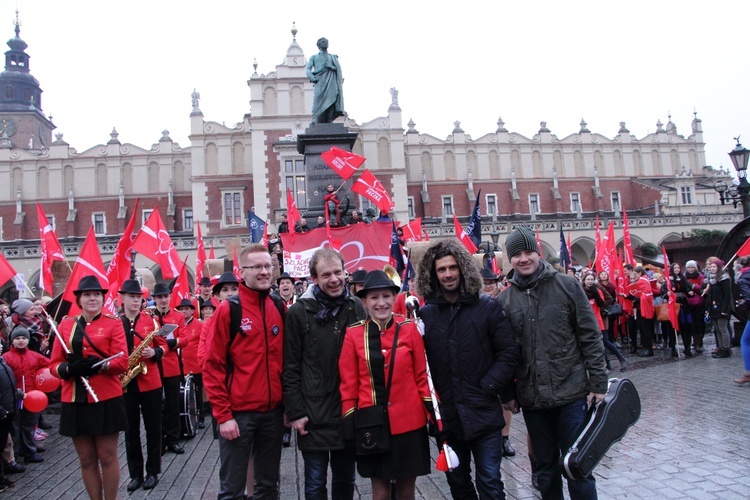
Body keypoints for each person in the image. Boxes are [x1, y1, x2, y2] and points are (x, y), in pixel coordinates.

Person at [498, 226, 607, 500]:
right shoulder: (504, 300)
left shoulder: (567, 285)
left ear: (538, 252)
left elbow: (590, 336)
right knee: (545, 469)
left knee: (578, 465)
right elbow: (504, 351)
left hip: (571, 392)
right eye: (517, 255)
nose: (523, 259)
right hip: (533, 399)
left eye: (528, 252)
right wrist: (508, 394)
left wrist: (599, 382)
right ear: (509, 260)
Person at [415, 240, 520, 499]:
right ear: (433, 274)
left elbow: (508, 352)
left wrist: (489, 386)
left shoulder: (487, 307)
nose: (448, 274)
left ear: (462, 269)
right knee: (459, 486)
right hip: (448, 420)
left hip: (483, 411)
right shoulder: (426, 316)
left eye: (452, 267)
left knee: (490, 483)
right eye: (441, 270)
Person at [339, 270, 431, 499]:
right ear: (364, 302)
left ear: (394, 298)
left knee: (406, 493)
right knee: (379, 494)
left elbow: (422, 376)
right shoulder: (353, 334)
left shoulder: (409, 329)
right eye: (374, 298)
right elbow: (348, 383)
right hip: (372, 424)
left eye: (386, 296)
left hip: (409, 424)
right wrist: (349, 421)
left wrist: (434, 416)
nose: (381, 303)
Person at [284, 248, 367, 500]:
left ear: (345, 272)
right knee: (315, 483)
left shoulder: (356, 306)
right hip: (313, 414)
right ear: (314, 278)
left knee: (345, 481)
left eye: (338, 272)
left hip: (348, 411)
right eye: (326, 274)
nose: (334, 279)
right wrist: (296, 413)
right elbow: (290, 366)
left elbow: (365, 361)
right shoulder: (298, 313)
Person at [203, 244, 285, 500]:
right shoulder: (229, 310)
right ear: (242, 272)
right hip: (238, 416)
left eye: (267, 266)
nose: (264, 272)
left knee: (268, 487)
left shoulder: (278, 305)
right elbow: (212, 365)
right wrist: (223, 416)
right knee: (232, 490)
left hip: (272, 414)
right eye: (257, 267)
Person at [50, 275, 129, 500]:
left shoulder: (113, 323)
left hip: (105, 398)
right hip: (75, 398)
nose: (92, 298)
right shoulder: (66, 325)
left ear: (103, 298)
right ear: (79, 299)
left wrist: (98, 366)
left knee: (107, 456)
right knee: (85, 458)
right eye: (87, 294)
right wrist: (69, 370)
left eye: (96, 294)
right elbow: (54, 365)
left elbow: (122, 362)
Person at [118, 279, 165, 491]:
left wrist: (155, 352)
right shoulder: (115, 322)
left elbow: (164, 344)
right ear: (123, 299)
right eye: (132, 297)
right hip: (126, 384)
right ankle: (135, 474)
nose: (136, 301)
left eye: (138, 298)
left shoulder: (151, 320)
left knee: (154, 428)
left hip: (150, 382)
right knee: (131, 432)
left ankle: (153, 471)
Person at [151, 283, 187, 455]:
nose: (163, 300)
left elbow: (185, 338)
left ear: (170, 297)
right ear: (154, 299)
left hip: (171, 365)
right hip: (154, 366)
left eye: (165, 296)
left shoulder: (178, 316)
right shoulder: (148, 316)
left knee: (173, 404)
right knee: (156, 406)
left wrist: (174, 342)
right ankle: (159, 441)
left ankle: (173, 439)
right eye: (159, 297)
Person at [3, 327, 48, 463]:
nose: (21, 341)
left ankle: (29, 452)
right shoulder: (6, 357)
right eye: (17, 338)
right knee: (15, 427)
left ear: (28, 340)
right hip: (15, 398)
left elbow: (50, 365)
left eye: (23, 338)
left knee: (29, 426)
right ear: (12, 341)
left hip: (31, 397)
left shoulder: (34, 356)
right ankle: (15, 455)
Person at [582, 271, 628, 370]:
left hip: (598, 320)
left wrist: (595, 292)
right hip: (586, 321)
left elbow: (602, 304)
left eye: (591, 279)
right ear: (584, 281)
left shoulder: (597, 290)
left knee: (605, 341)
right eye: (587, 279)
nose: (589, 281)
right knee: (596, 344)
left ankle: (621, 359)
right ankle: (607, 364)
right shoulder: (581, 291)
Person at [177, 298, 206, 427]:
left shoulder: (199, 325)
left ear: (193, 310)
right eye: (181, 309)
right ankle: (187, 416)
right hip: (181, 364)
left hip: (195, 364)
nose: (184, 312)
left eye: (186, 309)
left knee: (198, 391)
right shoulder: (177, 324)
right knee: (184, 393)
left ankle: (201, 417)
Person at [306, 37, 344, 124]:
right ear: (319, 45)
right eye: (323, 42)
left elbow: (337, 69)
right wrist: (312, 77)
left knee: (332, 98)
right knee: (317, 100)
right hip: (319, 81)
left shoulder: (332, 57)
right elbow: (308, 69)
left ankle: (329, 119)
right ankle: (316, 118)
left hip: (331, 81)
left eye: (326, 42)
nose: (325, 43)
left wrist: (331, 67)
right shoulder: (314, 57)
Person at [0, 354, 21, 491]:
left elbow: (8, 386)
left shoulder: (2, 363)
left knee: (2, 445)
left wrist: (19, 393)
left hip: (7, 412)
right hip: (2, 413)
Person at [706, 259, 732, 358]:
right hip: (714, 307)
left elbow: (727, 295)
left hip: (721, 307)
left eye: (714, 267)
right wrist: (708, 308)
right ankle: (720, 347)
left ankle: (726, 348)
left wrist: (724, 309)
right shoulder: (712, 280)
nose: (712, 268)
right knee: (717, 329)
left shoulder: (724, 279)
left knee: (722, 328)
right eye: (711, 267)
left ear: (719, 268)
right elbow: (710, 296)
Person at [628, 266, 656, 357]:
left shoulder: (643, 281)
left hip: (643, 308)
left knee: (645, 329)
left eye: (635, 274)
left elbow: (647, 294)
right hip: (640, 307)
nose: (634, 276)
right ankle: (646, 348)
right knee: (642, 329)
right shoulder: (643, 280)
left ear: (640, 273)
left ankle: (649, 349)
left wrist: (636, 297)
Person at [734, 256, 750, 384]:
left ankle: (748, 372)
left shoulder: (743, 278)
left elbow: (749, 298)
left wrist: (742, 304)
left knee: (745, 340)